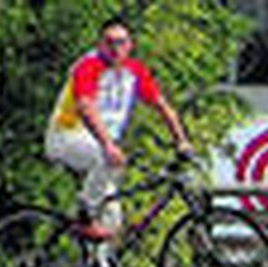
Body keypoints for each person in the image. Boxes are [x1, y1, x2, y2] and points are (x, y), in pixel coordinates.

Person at [46, 16, 194, 240]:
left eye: (121, 42)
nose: (116, 48)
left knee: (112, 220)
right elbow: (85, 108)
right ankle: (85, 216)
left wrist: (181, 141)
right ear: (100, 45)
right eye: (110, 42)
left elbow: (163, 107)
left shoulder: (134, 71)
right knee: (106, 159)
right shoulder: (88, 66)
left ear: (130, 45)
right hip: (66, 136)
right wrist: (107, 145)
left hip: (98, 145)